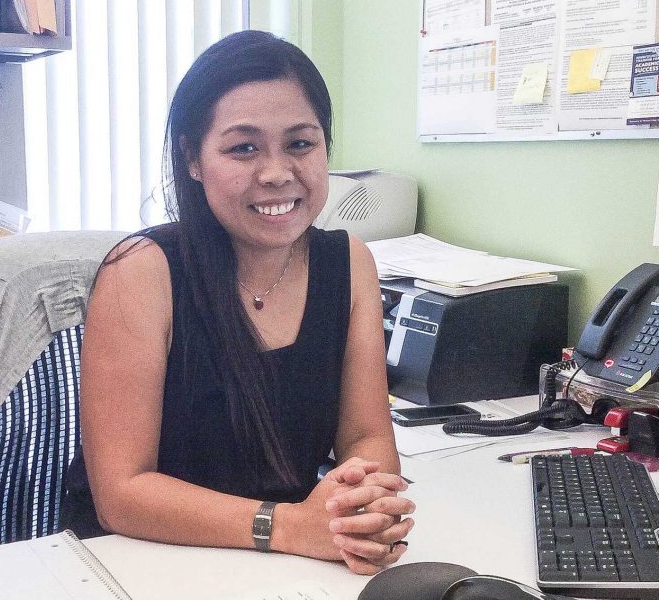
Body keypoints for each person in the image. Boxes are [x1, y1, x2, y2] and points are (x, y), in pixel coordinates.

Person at [62, 30, 414, 575]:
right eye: (243, 147)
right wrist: (288, 526)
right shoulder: (141, 271)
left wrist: (361, 509)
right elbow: (122, 492)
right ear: (193, 158)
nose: (277, 173)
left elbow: (364, 434)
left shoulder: (350, 262)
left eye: (301, 143)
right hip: (140, 563)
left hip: (286, 563)